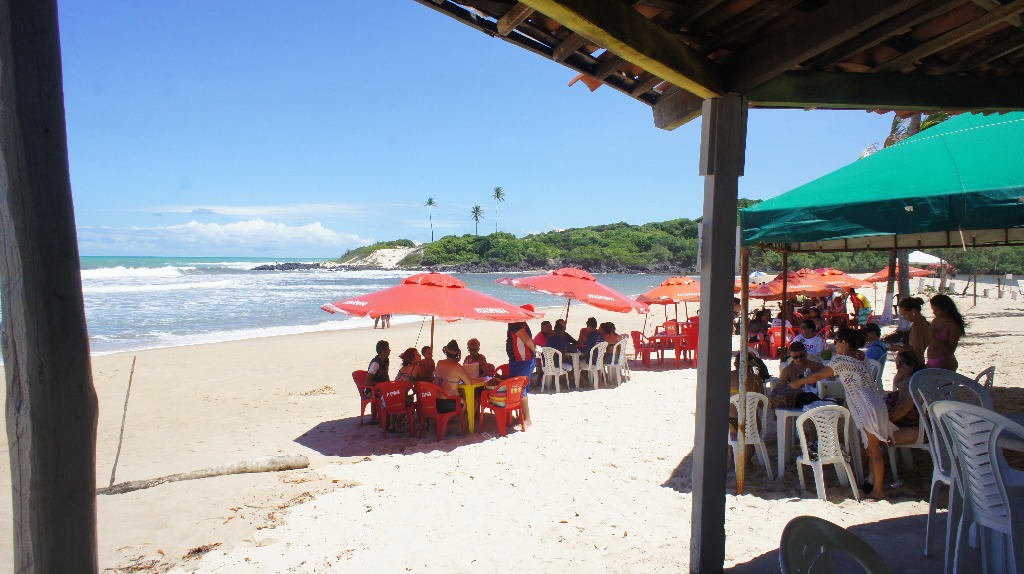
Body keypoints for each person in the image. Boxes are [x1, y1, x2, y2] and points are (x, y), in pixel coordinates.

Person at [789, 328, 918, 500]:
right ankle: (872, 483)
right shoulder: (861, 356)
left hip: (866, 407)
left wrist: (799, 382)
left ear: (844, 343)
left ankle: (878, 490)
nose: (835, 346)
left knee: (873, 450)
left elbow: (819, 375)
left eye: (837, 342)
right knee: (873, 448)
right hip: (873, 403)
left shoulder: (842, 360)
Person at [729, 350, 767, 467]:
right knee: (752, 434)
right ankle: (747, 460)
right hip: (751, 424)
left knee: (730, 436)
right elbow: (761, 404)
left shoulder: (728, 376)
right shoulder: (756, 379)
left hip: (732, 423)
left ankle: (732, 459)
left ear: (736, 364)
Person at [769, 342, 824, 410]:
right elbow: (780, 388)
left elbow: (828, 380)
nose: (799, 359)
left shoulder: (816, 366)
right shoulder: (788, 370)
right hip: (798, 399)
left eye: (801, 356)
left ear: (806, 353)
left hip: (817, 396)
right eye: (795, 357)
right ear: (791, 357)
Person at [506, 317, 535, 427]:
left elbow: (526, 340)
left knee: (520, 388)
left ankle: (527, 419)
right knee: (520, 389)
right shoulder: (515, 323)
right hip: (518, 361)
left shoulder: (516, 323)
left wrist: (534, 349)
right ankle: (521, 416)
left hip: (523, 361)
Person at [433, 340, 475, 413]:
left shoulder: (439, 363)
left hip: (435, 401)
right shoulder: (457, 367)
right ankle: (466, 423)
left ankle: (448, 419)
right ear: (457, 354)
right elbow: (469, 383)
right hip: (449, 403)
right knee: (474, 403)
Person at [928, 294, 965, 371]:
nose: (934, 313)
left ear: (945, 309)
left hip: (945, 362)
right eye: (933, 310)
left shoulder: (953, 326)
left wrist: (934, 338)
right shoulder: (935, 321)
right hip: (931, 360)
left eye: (936, 310)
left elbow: (950, 350)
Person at [886, 350, 923, 428]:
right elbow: (897, 382)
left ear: (911, 365)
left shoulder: (911, 382)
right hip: (908, 425)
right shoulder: (908, 380)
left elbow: (902, 409)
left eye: (899, 364)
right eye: (896, 364)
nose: (897, 368)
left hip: (911, 427)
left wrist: (883, 425)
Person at [891, 297, 931, 367]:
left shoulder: (918, 327)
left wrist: (897, 348)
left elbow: (917, 353)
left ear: (913, 311)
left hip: (913, 366)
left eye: (905, 314)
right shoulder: (923, 322)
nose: (904, 317)